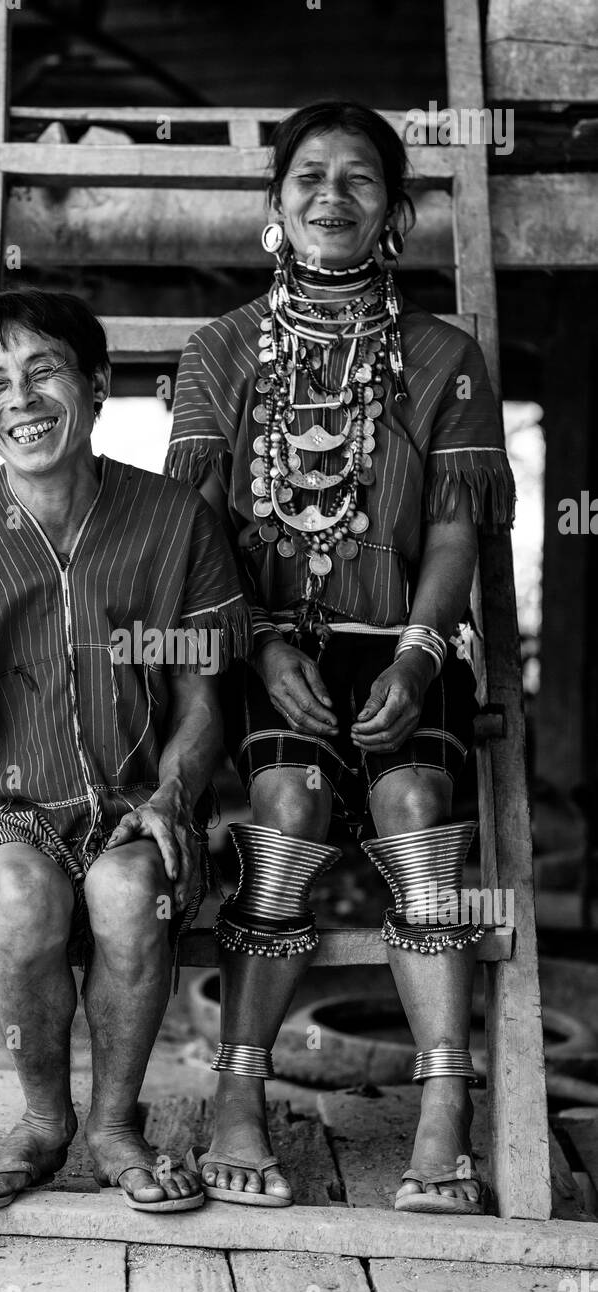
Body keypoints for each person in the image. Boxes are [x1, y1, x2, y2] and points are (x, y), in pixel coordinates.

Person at [168, 102, 516, 1213]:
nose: (330, 195)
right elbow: (196, 532)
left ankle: (442, 1106)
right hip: (269, 647)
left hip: (402, 641)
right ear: (273, 208)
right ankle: (236, 1093)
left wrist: (417, 661)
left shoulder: (444, 356)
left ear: (393, 212)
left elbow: (455, 527)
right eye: (306, 177)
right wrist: (261, 644)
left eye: (358, 179)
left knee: (417, 809)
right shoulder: (218, 351)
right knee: (287, 811)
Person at [0, 289, 250, 1212]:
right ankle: (42, 1120)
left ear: (98, 384)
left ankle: (114, 1124)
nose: (20, 399)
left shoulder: (174, 520)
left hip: (131, 798)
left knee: (129, 892)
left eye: (44, 371)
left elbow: (204, 699)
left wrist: (173, 795)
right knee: (27, 899)